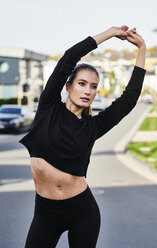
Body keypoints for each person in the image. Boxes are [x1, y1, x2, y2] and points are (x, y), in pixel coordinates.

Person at [19, 25, 146, 248]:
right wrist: (111, 33)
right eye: (82, 83)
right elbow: (70, 57)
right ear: (68, 86)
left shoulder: (93, 126)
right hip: (45, 213)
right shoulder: (48, 108)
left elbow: (129, 99)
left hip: (82, 211)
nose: (88, 91)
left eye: (94, 87)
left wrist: (141, 49)